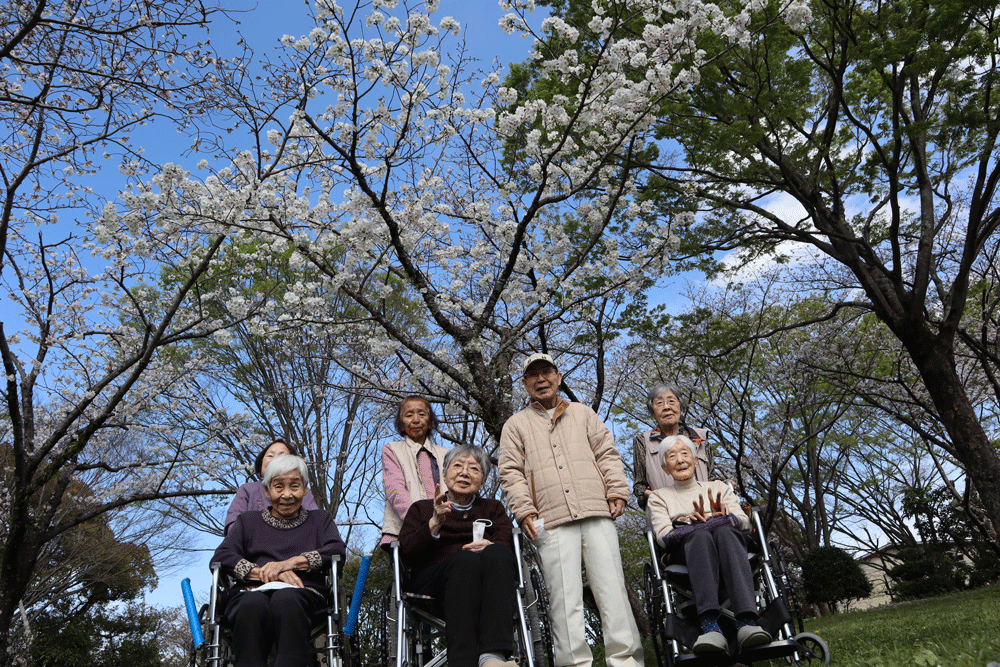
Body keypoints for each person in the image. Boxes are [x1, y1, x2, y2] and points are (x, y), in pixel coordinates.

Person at [499, 353, 643, 667]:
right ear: (524, 384)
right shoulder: (515, 425)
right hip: (549, 518)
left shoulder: (583, 413)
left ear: (559, 376)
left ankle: (627, 662)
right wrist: (525, 511)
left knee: (612, 591)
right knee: (565, 601)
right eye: (533, 375)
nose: (541, 379)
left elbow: (607, 452)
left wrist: (617, 490)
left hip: (596, 510)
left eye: (546, 372)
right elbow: (510, 472)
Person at [213, 454, 347, 667]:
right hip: (250, 592)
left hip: (303, 594)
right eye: (278, 487)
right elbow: (222, 556)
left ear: (305, 489)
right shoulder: (248, 522)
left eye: (295, 486)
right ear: (267, 491)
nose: (287, 495)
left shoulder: (320, 519)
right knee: (251, 604)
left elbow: (336, 551)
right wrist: (265, 573)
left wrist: (289, 563)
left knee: (286, 599)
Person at [648, 435, 771, 653]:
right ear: (666, 468)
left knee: (724, 531)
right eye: (672, 456)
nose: (680, 460)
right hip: (688, 549)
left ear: (696, 461)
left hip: (728, 543)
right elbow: (663, 535)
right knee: (700, 537)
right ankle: (710, 626)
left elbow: (742, 521)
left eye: (685, 453)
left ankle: (747, 624)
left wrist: (719, 519)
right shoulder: (659, 496)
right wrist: (691, 526)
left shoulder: (718, 487)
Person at [398, 445, 518, 667]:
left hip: (488, 584)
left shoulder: (493, 509)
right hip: (435, 583)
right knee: (466, 560)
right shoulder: (422, 509)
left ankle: (493, 657)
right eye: (458, 466)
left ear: (482, 481)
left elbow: (508, 544)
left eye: (473, 468)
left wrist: (491, 545)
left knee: (498, 551)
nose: (464, 473)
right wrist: (434, 523)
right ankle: (462, 662)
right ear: (444, 474)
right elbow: (408, 554)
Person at [632, 383, 711, 519]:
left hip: (708, 511)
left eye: (671, 401)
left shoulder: (700, 438)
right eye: (659, 403)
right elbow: (639, 486)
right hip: (670, 516)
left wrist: (724, 484)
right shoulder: (643, 441)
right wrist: (661, 498)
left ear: (681, 408)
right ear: (653, 413)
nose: (666, 407)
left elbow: (712, 476)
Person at [380, 395, 449, 548]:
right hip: (404, 529)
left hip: (443, 529)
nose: (416, 420)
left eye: (422, 414)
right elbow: (395, 489)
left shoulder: (445, 454)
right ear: (401, 424)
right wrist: (419, 520)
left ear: (430, 423)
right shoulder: (392, 450)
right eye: (409, 415)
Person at [225, 438, 319, 534]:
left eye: (282, 456)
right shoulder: (247, 490)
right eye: (270, 455)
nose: (275, 459)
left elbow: (315, 525)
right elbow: (233, 525)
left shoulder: (302, 493)